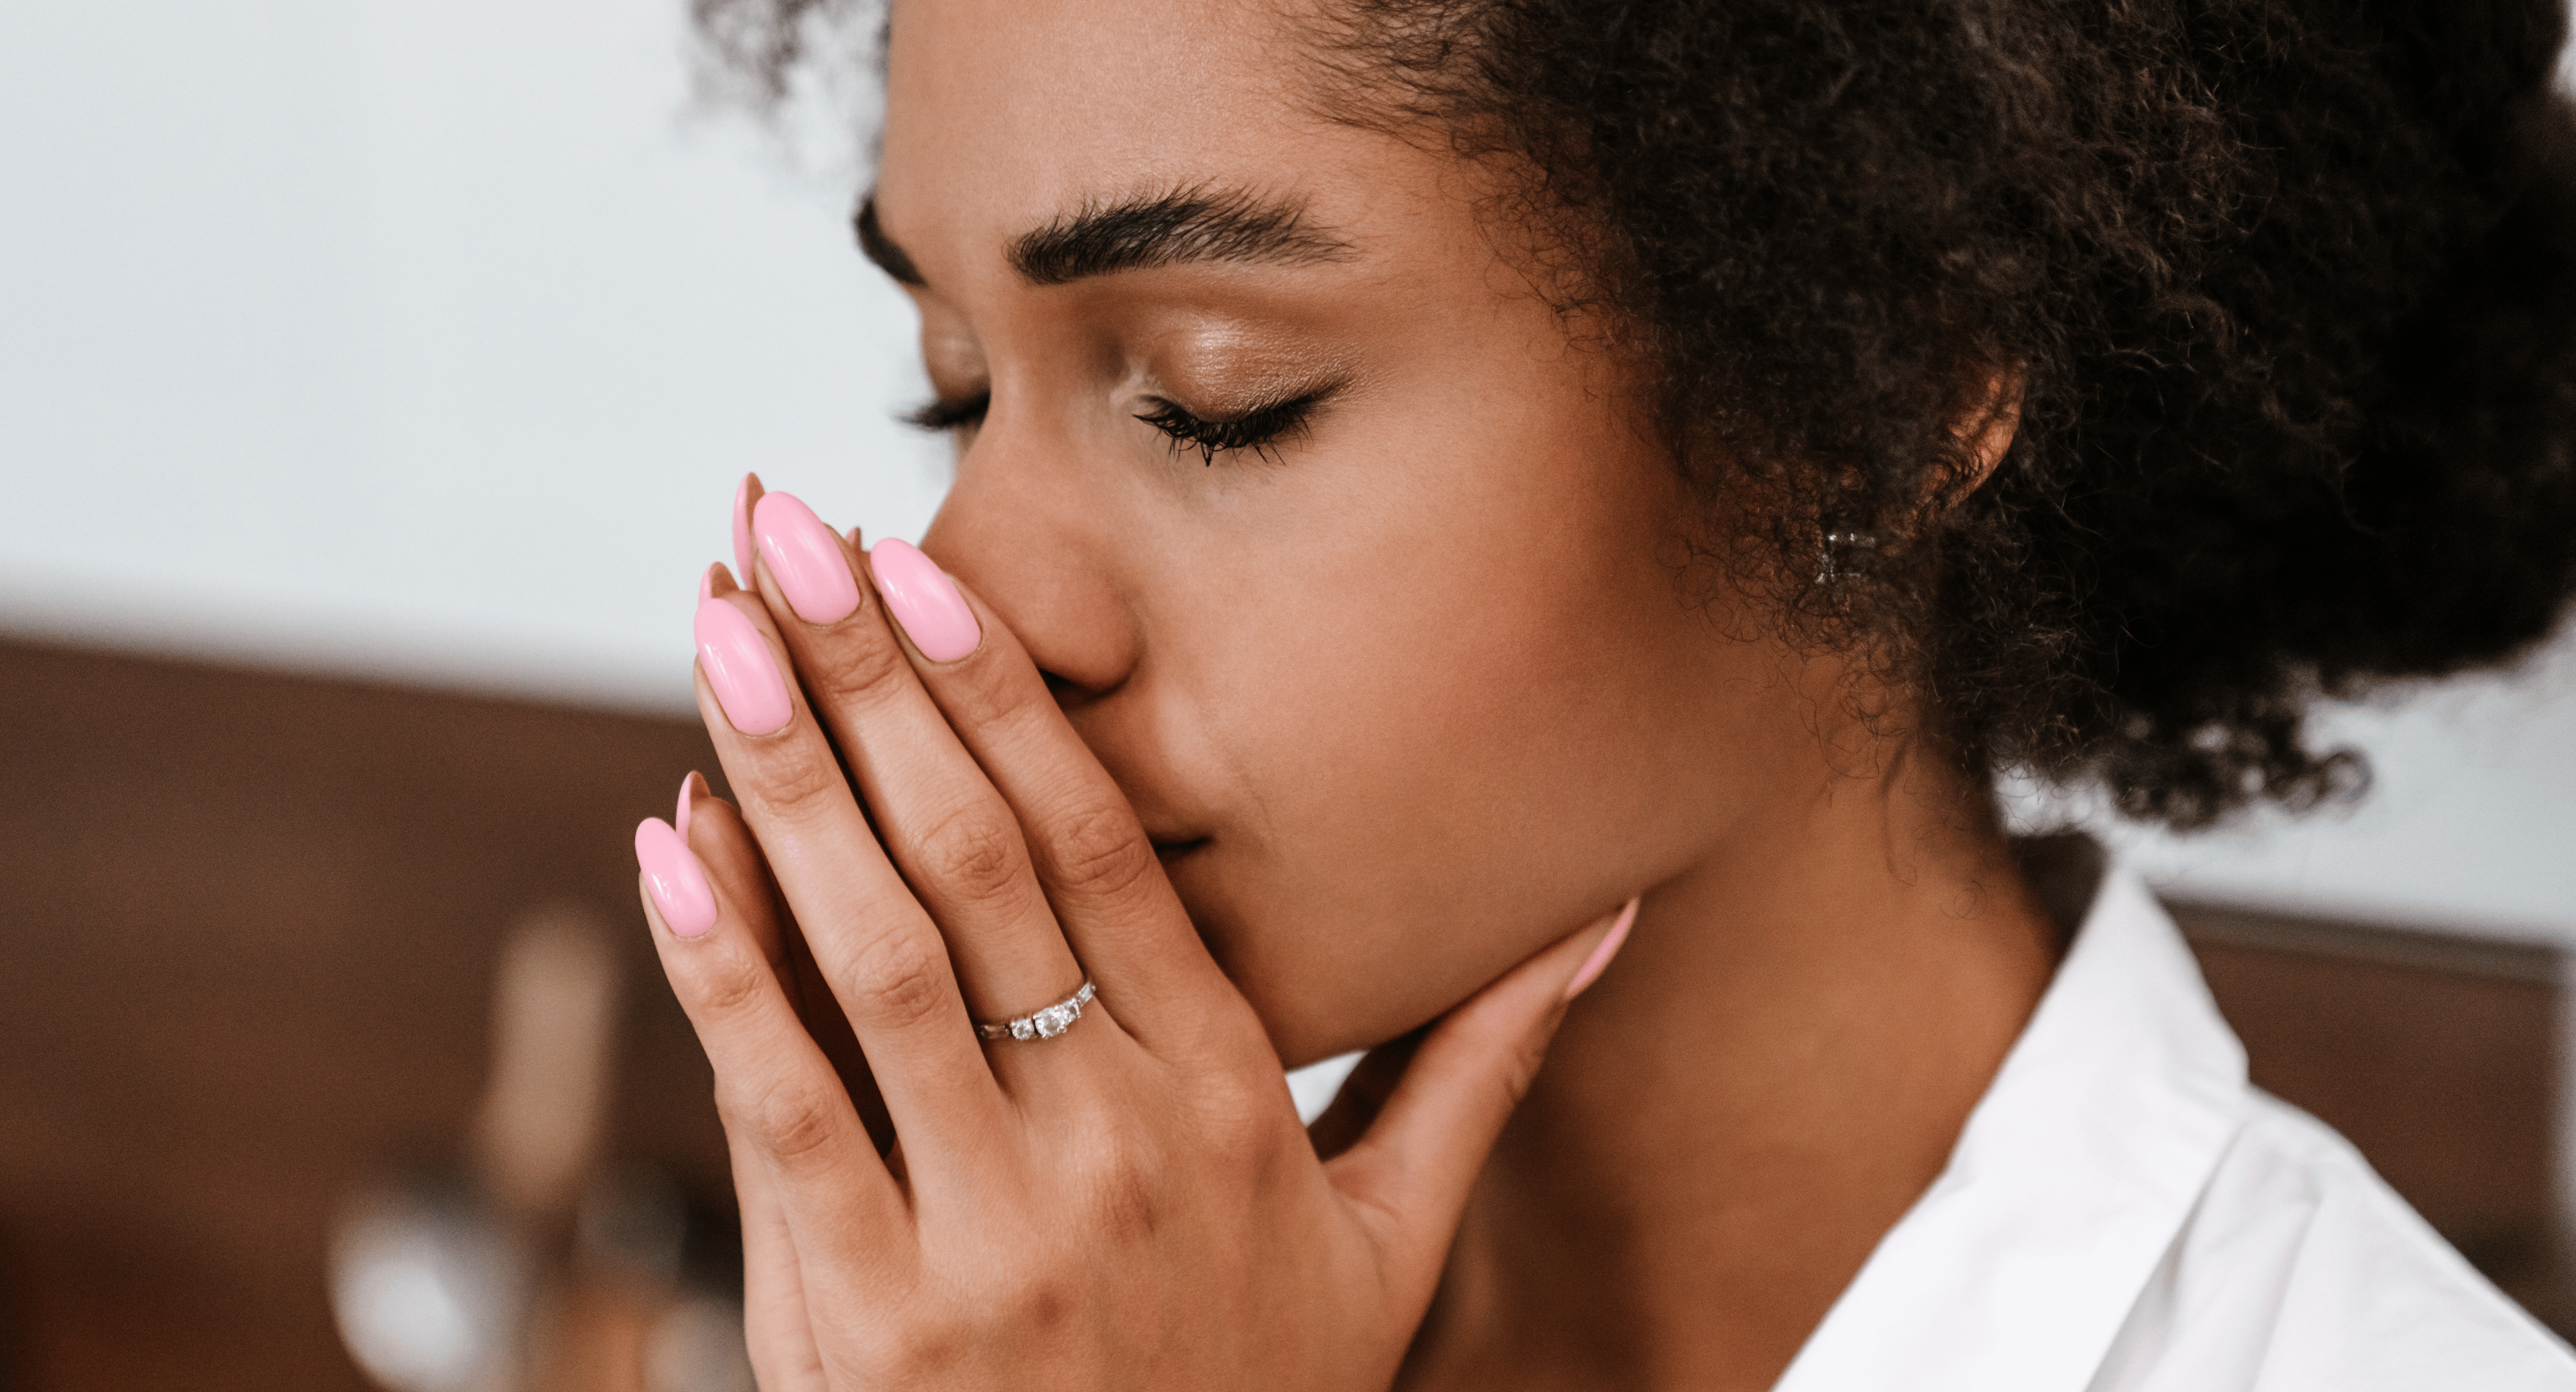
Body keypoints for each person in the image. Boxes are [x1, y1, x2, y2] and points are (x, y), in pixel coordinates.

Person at [624, 0, 2576, 1385]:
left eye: (1222, 399)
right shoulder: (975, 1333)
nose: (966, 592)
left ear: (1872, 401)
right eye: (955, 384)